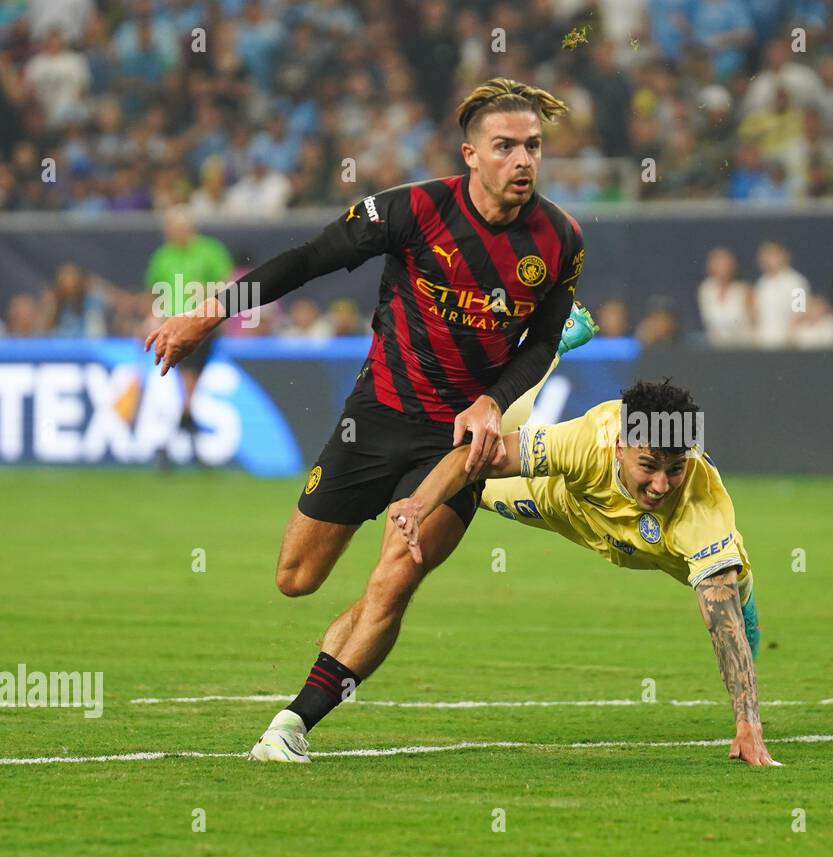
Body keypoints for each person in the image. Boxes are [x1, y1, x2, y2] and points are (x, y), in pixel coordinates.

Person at [143, 78, 591, 761]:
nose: (522, 160)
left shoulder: (560, 239)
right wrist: (209, 312)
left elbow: (540, 344)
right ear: (470, 153)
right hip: (375, 417)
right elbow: (308, 260)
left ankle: (294, 724)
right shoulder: (411, 210)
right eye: (504, 147)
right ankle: (348, 638)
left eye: (532, 146)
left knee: (395, 578)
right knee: (297, 578)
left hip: (456, 443)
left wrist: (493, 401)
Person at [388, 379, 779, 766]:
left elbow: (720, 623)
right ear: (621, 448)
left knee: (732, 590)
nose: (661, 485)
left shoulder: (701, 505)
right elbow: (476, 457)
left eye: (675, 468)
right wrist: (418, 505)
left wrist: (749, 726)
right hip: (564, 506)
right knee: (470, 477)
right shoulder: (588, 439)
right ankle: (555, 349)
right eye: (649, 466)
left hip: (664, 543)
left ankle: (749, 606)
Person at [143, 205, 235, 445]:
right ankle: (186, 417)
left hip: (203, 324)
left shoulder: (211, 251)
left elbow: (227, 285)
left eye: (171, 228)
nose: (167, 233)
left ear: (186, 228)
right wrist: (153, 317)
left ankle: (182, 420)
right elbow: (153, 292)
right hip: (171, 326)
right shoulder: (163, 256)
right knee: (187, 374)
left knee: (187, 373)